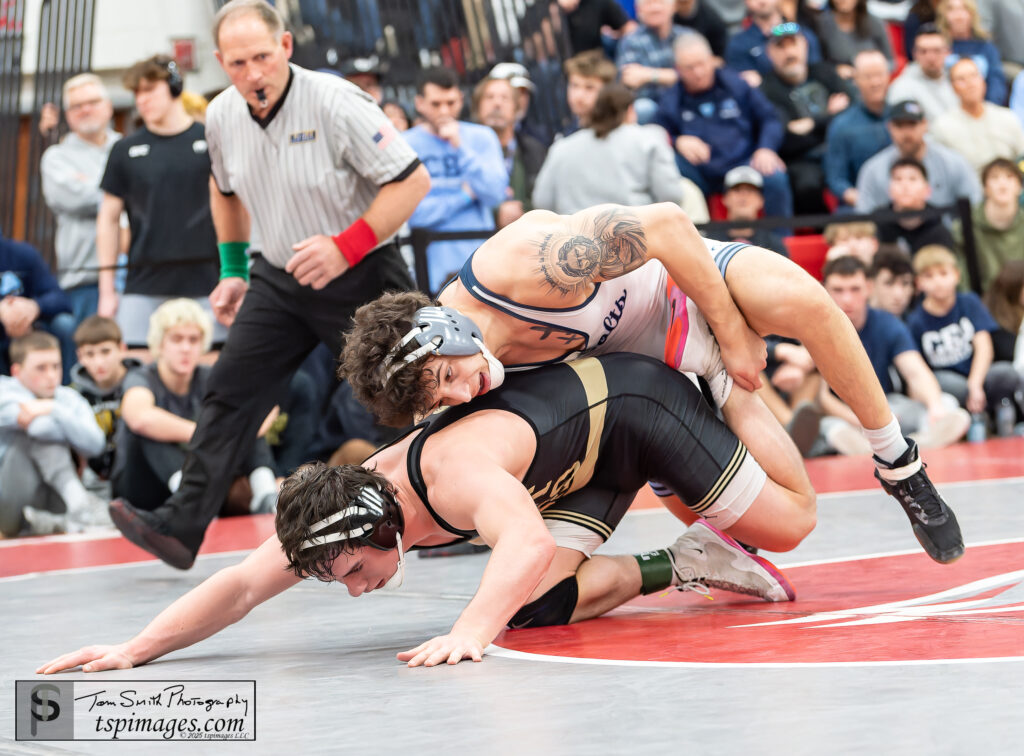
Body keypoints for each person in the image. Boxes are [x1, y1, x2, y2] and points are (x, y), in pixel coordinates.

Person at [38, 351, 812, 673]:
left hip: (636, 407)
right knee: (533, 605)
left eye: (350, 572)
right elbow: (242, 585)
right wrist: (138, 649)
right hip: (575, 468)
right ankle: (687, 561)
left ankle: (729, 379)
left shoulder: (451, 475)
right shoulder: (341, 512)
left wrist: (469, 633)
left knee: (792, 523)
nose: (352, 589)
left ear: (378, 531)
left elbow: (524, 540)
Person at [342, 202, 967, 564]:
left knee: (806, 303)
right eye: (441, 399)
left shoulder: (526, 269)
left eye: (447, 376)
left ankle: (897, 462)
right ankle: (696, 433)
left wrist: (730, 330)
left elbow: (667, 226)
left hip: (680, 292)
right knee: (779, 533)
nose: (460, 394)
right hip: (645, 376)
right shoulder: (461, 376)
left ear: (442, 326)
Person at [105, 0, 430, 571]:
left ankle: (471, 512)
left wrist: (343, 246)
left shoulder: (334, 100)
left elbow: (411, 180)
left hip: (362, 269)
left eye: (261, 57)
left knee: (413, 393)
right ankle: (182, 527)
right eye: (237, 63)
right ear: (220, 63)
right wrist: (233, 270)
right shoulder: (221, 113)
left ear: (284, 48)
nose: (252, 73)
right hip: (279, 276)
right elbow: (224, 193)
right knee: (228, 392)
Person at [96, 54, 225, 353]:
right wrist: (107, 290)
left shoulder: (211, 140)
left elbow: (239, 206)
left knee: (211, 372)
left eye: (149, 89)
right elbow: (108, 219)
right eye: (136, 92)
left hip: (209, 278)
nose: (141, 99)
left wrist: (238, 272)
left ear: (175, 87)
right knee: (139, 370)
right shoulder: (124, 150)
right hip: (144, 281)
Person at [113, 299, 279, 514]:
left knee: (245, 418)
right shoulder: (141, 377)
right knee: (148, 431)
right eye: (177, 339)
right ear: (160, 344)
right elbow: (140, 417)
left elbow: (263, 409)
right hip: (143, 488)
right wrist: (208, 433)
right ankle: (192, 503)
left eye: (193, 340)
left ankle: (265, 496)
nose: (185, 348)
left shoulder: (209, 376)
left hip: (204, 481)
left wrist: (235, 429)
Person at [818, 255, 969, 454]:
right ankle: (899, 449)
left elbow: (915, 371)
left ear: (869, 288)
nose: (847, 299)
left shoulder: (887, 324)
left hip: (887, 408)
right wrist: (864, 422)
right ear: (825, 290)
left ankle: (902, 447)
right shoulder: (819, 330)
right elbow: (822, 397)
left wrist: (934, 405)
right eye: (838, 290)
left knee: (949, 405)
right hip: (848, 416)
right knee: (830, 427)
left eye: (855, 289)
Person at [657, 30, 793, 218]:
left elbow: (770, 118)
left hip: (744, 162)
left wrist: (765, 148)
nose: (698, 73)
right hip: (700, 172)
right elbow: (654, 133)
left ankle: (780, 241)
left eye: (701, 64)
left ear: (712, 60)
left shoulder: (736, 84)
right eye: (689, 68)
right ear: (677, 69)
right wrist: (676, 140)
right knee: (669, 166)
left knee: (775, 177)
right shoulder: (672, 98)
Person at [403, 66, 508, 293]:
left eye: (451, 103)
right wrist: (465, 195)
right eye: (436, 104)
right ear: (419, 103)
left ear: (461, 99)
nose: (444, 111)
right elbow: (413, 215)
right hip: (430, 271)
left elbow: (494, 194)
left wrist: (460, 148)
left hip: (480, 267)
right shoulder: (406, 144)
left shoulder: (481, 137)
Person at [0, 332, 106, 536]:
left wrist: (53, 408)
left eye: (56, 366)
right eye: (41, 368)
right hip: (7, 502)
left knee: (53, 435)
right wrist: (66, 427)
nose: (51, 375)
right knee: (35, 435)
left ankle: (57, 520)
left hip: (51, 499)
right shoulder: (3, 390)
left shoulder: (69, 398)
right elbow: (39, 428)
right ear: (17, 371)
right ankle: (78, 503)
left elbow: (96, 445)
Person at [906, 245, 1021, 425]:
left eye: (943, 273)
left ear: (956, 275)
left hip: (980, 377)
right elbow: (918, 368)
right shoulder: (915, 320)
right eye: (929, 276)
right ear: (919, 282)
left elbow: (984, 346)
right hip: (948, 387)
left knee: (1005, 373)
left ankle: (1001, 414)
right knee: (946, 384)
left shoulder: (969, 302)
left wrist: (975, 384)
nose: (937, 281)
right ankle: (965, 420)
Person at [39, 73, 121, 326]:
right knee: (94, 360)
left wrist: (91, 183)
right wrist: (123, 193)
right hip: (86, 281)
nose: (85, 110)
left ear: (108, 106)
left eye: (93, 102)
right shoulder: (57, 158)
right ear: (67, 114)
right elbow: (77, 199)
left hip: (139, 276)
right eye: (76, 106)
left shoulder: (128, 148)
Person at [532, 83, 685, 214]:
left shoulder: (562, 147)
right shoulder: (649, 139)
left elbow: (542, 202)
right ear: (631, 110)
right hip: (636, 241)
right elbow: (671, 196)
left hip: (576, 243)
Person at [758, 22, 852, 214]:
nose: (789, 52)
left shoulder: (825, 72)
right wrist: (830, 117)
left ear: (805, 46)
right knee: (806, 185)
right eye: (780, 47)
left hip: (839, 148)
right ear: (770, 53)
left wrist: (812, 123)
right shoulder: (767, 89)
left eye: (793, 44)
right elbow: (787, 138)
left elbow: (851, 112)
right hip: (802, 159)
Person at [855, 99, 981, 214]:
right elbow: (864, 218)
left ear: (925, 125)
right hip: (888, 237)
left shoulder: (953, 163)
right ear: (889, 127)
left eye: (912, 124)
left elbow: (974, 207)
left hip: (944, 236)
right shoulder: (873, 170)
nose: (906, 133)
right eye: (899, 125)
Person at [69, 316, 141, 482]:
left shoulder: (143, 384)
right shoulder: (73, 395)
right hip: (92, 474)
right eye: (89, 354)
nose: (99, 362)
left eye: (105, 351)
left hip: (137, 473)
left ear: (122, 349)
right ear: (80, 357)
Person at [473, 77, 548, 229]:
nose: (497, 103)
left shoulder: (535, 150)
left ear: (516, 109)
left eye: (504, 98)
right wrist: (496, 213)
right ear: (477, 107)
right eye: (489, 97)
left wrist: (523, 211)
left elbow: (547, 198)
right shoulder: (464, 151)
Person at [0, 232, 75, 382]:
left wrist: (34, 307)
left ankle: (68, 387)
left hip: (30, 330)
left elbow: (61, 299)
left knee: (65, 323)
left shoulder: (21, 253)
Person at [824, 49, 892, 210]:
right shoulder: (842, 125)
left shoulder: (903, 119)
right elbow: (836, 179)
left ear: (889, 76)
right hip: (860, 203)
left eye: (879, 75)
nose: (875, 83)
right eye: (868, 77)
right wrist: (862, 200)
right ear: (855, 80)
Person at [931, 58, 1024, 174]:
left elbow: (1022, 157)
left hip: (1011, 186)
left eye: (974, 76)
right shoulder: (943, 127)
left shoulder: (1007, 117)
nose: (970, 84)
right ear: (953, 87)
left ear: (983, 81)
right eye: (961, 79)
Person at [952, 158, 1024, 293]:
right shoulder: (965, 226)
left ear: (1019, 187)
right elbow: (961, 275)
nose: (1002, 184)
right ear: (985, 188)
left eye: (1009, 177)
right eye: (995, 178)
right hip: (981, 302)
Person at [616, 0, 687, 122]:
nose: (655, 8)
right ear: (638, 10)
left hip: (686, 102)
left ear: (673, 7)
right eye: (648, 3)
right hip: (653, 106)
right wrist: (674, 76)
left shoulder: (687, 37)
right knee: (642, 108)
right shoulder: (630, 41)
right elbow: (630, 80)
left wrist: (648, 75)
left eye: (660, 2)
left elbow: (696, 76)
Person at [724, 0, 823, 88]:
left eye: (790, 44)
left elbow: (819, 71)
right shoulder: (738, 44)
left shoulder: (802, 33)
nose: (762, 1)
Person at [874, 158, 957, 255]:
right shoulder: (878, 224)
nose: (905, 185)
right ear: (889, 190)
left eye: (912, 179)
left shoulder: (938, 228)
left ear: (927, 190)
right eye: (898, 179)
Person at [937, 0, 1006, 105]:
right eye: (951, 10)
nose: (958, 16)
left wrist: (988, 108)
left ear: (971, 14)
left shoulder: (986, 46)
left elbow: (996, 82)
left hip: (983, 108)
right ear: (944, 15)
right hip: (947, 108)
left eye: (963, 9)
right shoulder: (938, 46)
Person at [886, 24, 959, 124]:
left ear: (948, 52)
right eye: (923, 51)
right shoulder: (902, 88)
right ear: (914, 54)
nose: (930, 57)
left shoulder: (957, 79)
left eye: (936, 50)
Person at [719, 165, 789, 255]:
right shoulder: (709, 242)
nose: (743, 195)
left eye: (750, 190)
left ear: (761, 201)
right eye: (737, 190)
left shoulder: (774, 245)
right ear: (725, 198)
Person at [814, 0, 892, 77]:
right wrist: (835, 69)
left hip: (872, 80)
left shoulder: (874, 23)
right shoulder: (823, 24)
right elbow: (818, 64)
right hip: (840, 81)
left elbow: (891, 62)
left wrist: (871, 71)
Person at [560, 50, 619, 137]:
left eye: (589, 88)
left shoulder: (617, 131)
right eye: (574, 85)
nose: (579, 95)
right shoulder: (568, 129)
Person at [558, 0, 634, 56]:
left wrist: (612, 36)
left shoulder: (598, 3)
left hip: (592, 62)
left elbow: (630, 28)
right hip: (559, 62)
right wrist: (558, 9)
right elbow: (550, 49)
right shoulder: (551, 5)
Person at [869, 249, 916, 318]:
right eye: (889, 283)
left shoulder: (915, 323)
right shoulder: (853, 325)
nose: (898, 294)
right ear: (871, 285)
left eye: (905, 283)